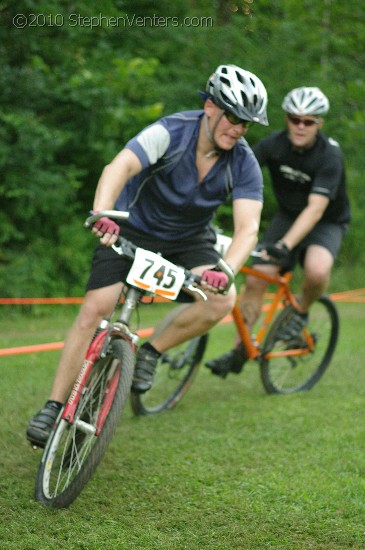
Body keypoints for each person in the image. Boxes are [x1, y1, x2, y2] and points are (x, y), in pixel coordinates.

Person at [26, 64, 269, 448]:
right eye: (233, 117)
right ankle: (54, 405)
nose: (237, 129)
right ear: (209, 106)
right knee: (96, 309)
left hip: (188, 241)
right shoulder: (171, 132)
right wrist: (104, 212)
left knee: (223, 298)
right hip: (133, 227)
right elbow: (119, 166)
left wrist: (225, 269)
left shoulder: (243, 162)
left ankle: (151, 352)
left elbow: (247, 228)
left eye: (246, 124)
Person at [206, 86, 351, 378]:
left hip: (325, 222)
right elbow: (236, 173)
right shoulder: (274, 145)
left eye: (308, 121)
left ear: (319, 123)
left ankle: (300, 313)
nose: (300, 126)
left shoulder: (330, 156)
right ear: (286, 119)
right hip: (287, 217)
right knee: (257, 280)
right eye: (294, 119)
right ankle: (240, 350)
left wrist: (285, 244)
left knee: (317, 270)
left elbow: (315, 209)